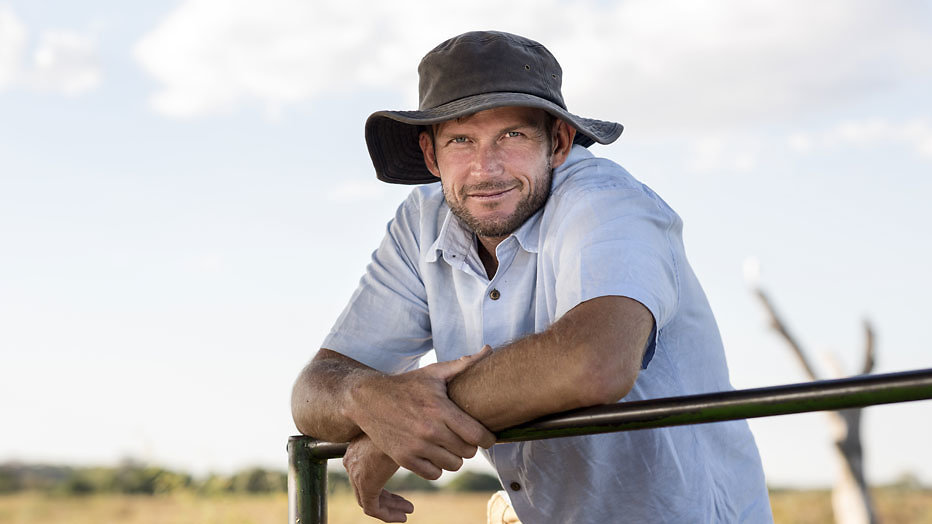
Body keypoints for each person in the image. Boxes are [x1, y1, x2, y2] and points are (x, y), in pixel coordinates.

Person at [291, 30, 773, 523]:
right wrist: (369, 400)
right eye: (461, 140)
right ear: (431, 156)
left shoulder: (607, 203)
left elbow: (594, 361)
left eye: (512, 135)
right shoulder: (421, 223)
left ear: (559, 142)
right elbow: (313, 392)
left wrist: (405, 429)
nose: (486, 168)